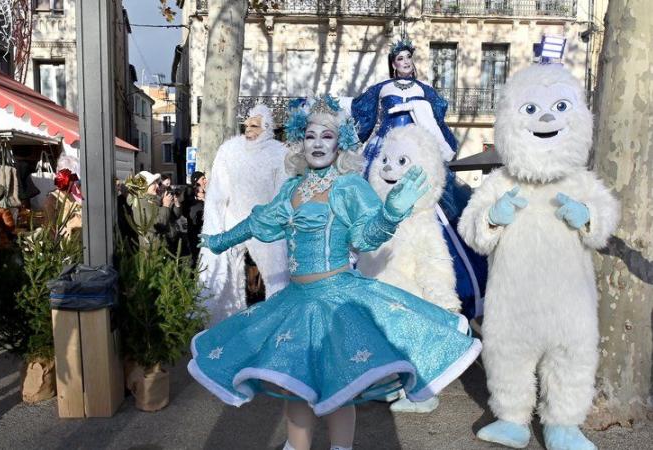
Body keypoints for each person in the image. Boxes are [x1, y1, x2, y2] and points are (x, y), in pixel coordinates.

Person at [190, 95, 481, 450]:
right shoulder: (291, 189)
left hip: (338, 299)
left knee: (341, 384)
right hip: (297, 302)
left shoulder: (349, 187)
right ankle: (297, 448)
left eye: (326, 136)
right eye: (310, 135)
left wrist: (390, 214)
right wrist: (221, 239)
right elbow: (259, 220)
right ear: (300, 141)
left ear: (339, 143)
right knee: (294, 384)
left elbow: (365, 236)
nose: (317, 143)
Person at [459, 64, 619, 450]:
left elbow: (606, 217)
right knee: (507, 357)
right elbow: (470, 230)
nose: (547, 118)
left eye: (560, 107)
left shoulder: (579, 181)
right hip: (512, 302)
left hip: (570, 302)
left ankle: (563, 425)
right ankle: (511, 419)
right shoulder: (500, 183)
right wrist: (492, 219)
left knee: (572, 357)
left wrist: (589, 218)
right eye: (531, 110)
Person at [352, 38, 487, 321]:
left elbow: (436, 125)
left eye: (408, 59)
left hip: (416, 151)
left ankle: (445, 287)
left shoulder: (425, 91)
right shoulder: (382, 89)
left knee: (436, 214)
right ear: (393, 64)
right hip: (388, 148)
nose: (405, 63)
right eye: (399, 59)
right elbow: (363, 120)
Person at [200, 104, 289, 324]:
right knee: (224, 274)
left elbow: (283, 193)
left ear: (267, 127)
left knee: (278, 274)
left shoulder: (280, 154)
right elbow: (217, 193)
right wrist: (214, 227)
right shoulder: (229, 151)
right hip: (234, 220)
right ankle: (225, 324)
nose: (248, 128)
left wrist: (277, 223)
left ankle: (278, 325)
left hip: (266, 223)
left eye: (255, 125)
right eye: (246, 124)